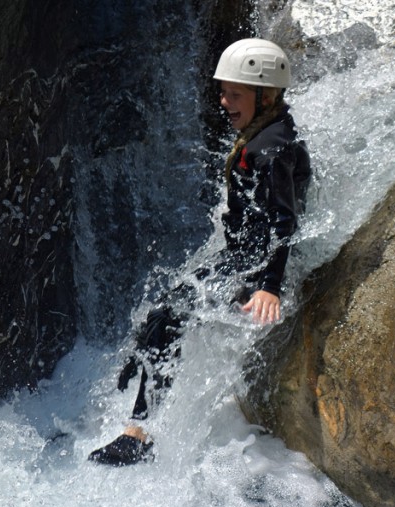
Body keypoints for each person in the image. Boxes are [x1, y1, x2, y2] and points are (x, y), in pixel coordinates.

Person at [88, 38, 312, 466]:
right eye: (223, 91)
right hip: (243, 253)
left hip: (256, 263)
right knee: (158, 315)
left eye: (235, 94)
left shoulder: (270, 149)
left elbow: (285, 222)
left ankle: (140, 434)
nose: (224, 102)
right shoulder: (268, 130)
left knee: (169, 316)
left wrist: (270, 287)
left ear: (266, 96)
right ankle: (131, 406)